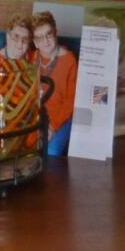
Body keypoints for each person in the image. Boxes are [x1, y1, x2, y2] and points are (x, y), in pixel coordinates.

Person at [27, 11, 79, 155]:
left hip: (62, 118)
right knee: (26, 146)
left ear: (55, 33)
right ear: (35, 43)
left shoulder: (69, 60)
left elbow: (71, 101)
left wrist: (53, 127)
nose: (46, 41)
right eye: (40, 37)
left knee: (52, 150)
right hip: (37, 119)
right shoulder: (32, 59)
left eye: (49, 34)